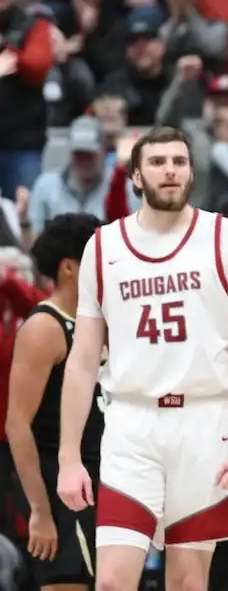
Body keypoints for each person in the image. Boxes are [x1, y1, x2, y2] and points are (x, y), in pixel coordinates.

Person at [55, 127, 228, 591]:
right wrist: (68, 456)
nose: (169, 169)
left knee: (188, 583)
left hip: (205, 420)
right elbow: (82, 360)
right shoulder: (104, 245)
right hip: (130, 422)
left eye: (178, 160)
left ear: (192, 172)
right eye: (156, 162)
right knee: (112, 581)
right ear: (136, 176)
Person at [6, 213, 103, 591]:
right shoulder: (45, 327)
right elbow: (17, 425)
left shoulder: (103, 321)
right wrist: (41, 512)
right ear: (69, 268)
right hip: (58, 484)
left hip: (105, 479)